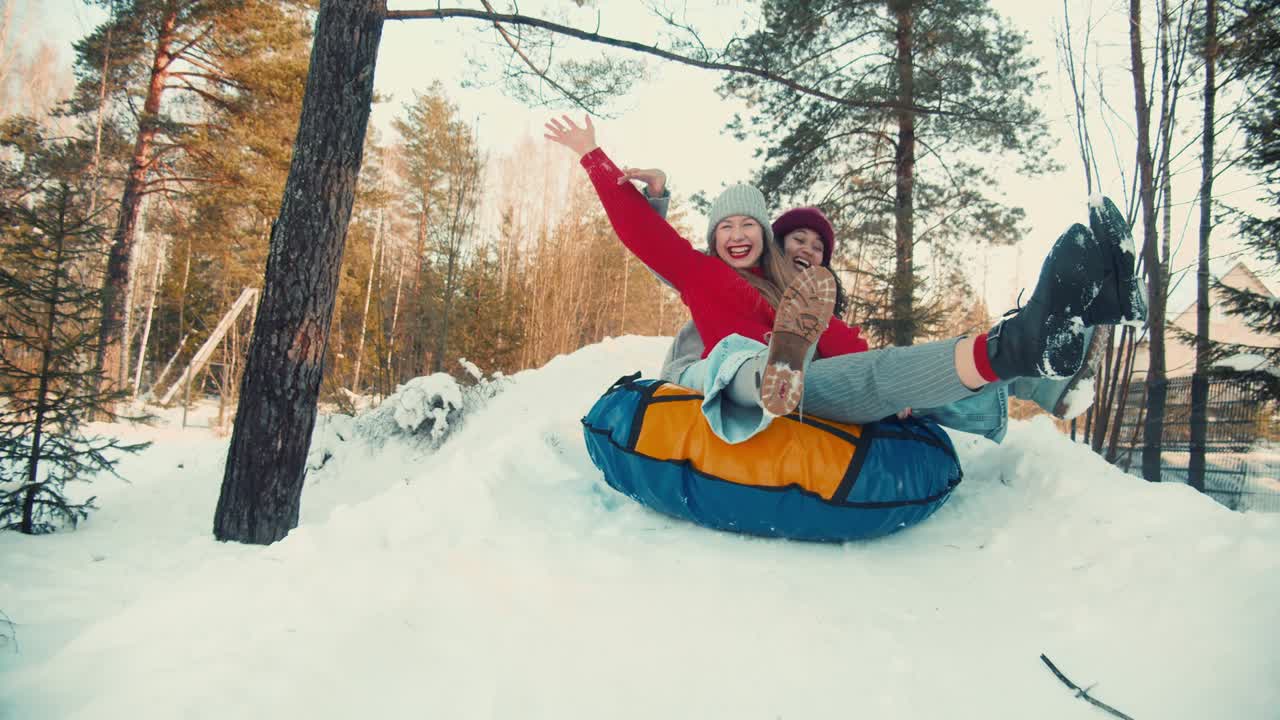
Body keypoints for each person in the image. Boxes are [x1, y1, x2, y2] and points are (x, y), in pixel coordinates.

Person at [545, 115, 1145, 444]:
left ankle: (1062, 327)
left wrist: (899, 389)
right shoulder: (699, 274)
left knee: (880, 372)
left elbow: (848, 349)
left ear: (763, 235)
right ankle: (767, 374)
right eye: (724, 226)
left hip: (809, 386)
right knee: (729, 356)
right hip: (735, 380)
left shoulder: (795, 294)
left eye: (746, 225)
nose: (735, 234)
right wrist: (596, 160)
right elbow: (644, 240)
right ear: (712, 238)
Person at [620, 167, 1114, 443]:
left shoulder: (803, 295)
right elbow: (664, 256)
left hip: (808, 375)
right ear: (776, 242)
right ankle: (1033, 372)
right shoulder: (720, 272)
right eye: (798, 240)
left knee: (898, 379)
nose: (808, 251)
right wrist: (656, 199)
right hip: (722, 373)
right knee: (895, 386)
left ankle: (1052, 359)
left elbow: (847, 348)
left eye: (818, 247)